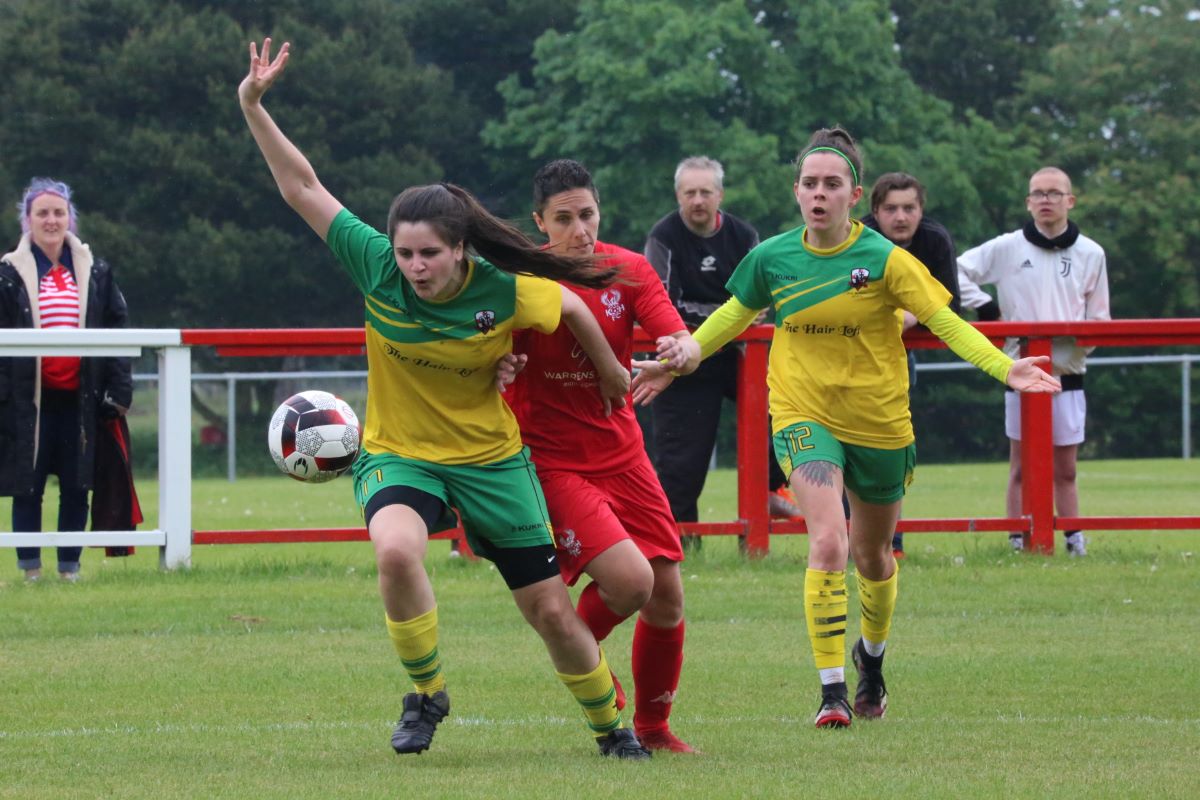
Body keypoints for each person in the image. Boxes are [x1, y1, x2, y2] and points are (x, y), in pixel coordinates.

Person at [237, 39, 651, 760]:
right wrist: (253, 105)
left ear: (461, 250)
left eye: (429, 254)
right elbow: (302, 188)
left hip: (493, 462)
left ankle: (611, 728)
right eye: (405, 254)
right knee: (396, 553)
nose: (415, 267)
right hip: (401, 456)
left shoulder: (503, 289)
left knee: (551, 612)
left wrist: (612, 375)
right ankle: (427, 694)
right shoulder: (375, 265)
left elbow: (574, 306)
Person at [633, 127, 1061, 729]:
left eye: (832, 184)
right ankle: (831, 692)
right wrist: (684, 357)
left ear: (854, 195)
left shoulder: (886, 260)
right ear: (796, 192)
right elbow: (732, 315)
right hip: (804, 416)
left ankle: (873, 663)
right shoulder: (772, 257)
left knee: (874, 556)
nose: (819, 194)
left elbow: (945, 320)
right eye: (809, 183)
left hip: (881, 424)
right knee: (828, 540)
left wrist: (1003, 366)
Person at [499, 159, 699, 753]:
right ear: (540, 223)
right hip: (552, 461)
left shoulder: (629, 270)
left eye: (587, 214)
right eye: (563, 219)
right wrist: (499, 364)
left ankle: (654, 729)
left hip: (624, 454)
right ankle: (588, 669)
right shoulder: (520, 279)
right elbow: (482, 350)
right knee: (632, 582)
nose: (580, 229)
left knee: (666, 595)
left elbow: (679, 339)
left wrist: (680, 352)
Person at [644, 156, 799, 549]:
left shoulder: (745, 236)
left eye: (705, 192)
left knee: (791, 414)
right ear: (678, 195)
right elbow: (663, 303)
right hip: (682, 360)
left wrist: (734, 317)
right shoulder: (662, 237)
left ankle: (768, 494)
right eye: (689, 192)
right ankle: (680, 550)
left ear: (720, 195)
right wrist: (726, 314)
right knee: (681, 465)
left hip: (741, 357)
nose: (698, 200)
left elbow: (762, 294)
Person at [957, 167, 1110, 556]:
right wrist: (988, 309)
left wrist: (1072, 350)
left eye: (1054, 193)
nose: (1046, 200)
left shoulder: (1091, 253)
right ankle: (1017, 539)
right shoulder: (1008, 247)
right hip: (1020, 371)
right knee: (1021, 466)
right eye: (1038, 193)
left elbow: (1100, 319)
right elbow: (957, 271)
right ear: (1028, 202)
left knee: (1066, 468)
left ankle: (1074, 539)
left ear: (1070, 201)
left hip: (1067, 376)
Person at [0, 178, 132, 582]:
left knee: (78, 487)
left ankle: (69, 570)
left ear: (69, 218)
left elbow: (118, 329)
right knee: (28, 487)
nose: (51, 220)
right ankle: (30, 571)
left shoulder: (97, 273)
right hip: (26, 402)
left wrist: (119, 389)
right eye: (42, 213)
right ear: (28, 220)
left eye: (58, 213)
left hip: (80, 400)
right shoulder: (6, 275)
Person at [862, 172, 963, 558]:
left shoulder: (934, 240)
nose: (901, 217)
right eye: (891, 209)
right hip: (842, 356)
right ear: (874, 212)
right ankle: (842, 542)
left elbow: (951, 306)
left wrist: (911, 315)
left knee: (889, 449)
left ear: (922, 210)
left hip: (896, 359)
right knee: (840, 453)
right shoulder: (857, 237)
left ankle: (892, 543)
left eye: (909, 208)